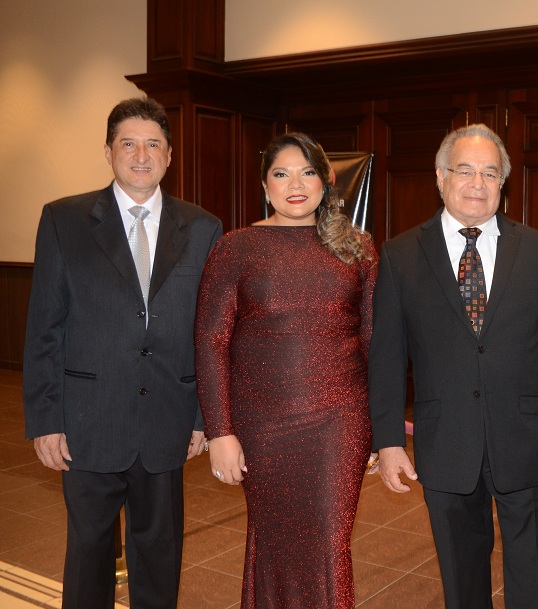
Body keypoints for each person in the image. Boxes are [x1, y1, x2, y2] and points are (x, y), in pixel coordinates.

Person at [368, 123, 538, 609]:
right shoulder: (401, 255)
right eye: (465, 171)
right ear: (441, 177)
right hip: (446, 439)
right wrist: (386, 442)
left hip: (524, 436)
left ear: (503, 184)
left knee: (532, 570)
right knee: (462, 576)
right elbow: (385, 357)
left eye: (490, 173)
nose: (478, 184)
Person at [22, 97, 222, 609]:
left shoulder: (202, 229)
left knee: (159, 555)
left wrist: (204, 414)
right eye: (128, 143)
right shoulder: (64, 219)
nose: (141, 154)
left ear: (170, 155)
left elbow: (209, 332)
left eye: (153, 144)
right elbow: (45, 326)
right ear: (108, 151)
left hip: (167, 420)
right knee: (87, 555)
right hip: (87, 420)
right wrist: (45, 418)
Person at [195, 132, 377, 609]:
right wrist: (220, 431)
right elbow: (210, 344)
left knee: (329, 544)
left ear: (326, 180)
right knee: (272, 542)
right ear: (264, 183)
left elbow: (377, 343)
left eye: (307, 172)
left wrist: (381, 430)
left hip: (341, 422)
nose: (295, 184)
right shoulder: (236, 247)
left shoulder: (358, 249)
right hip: (262, 426)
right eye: (281, 173)